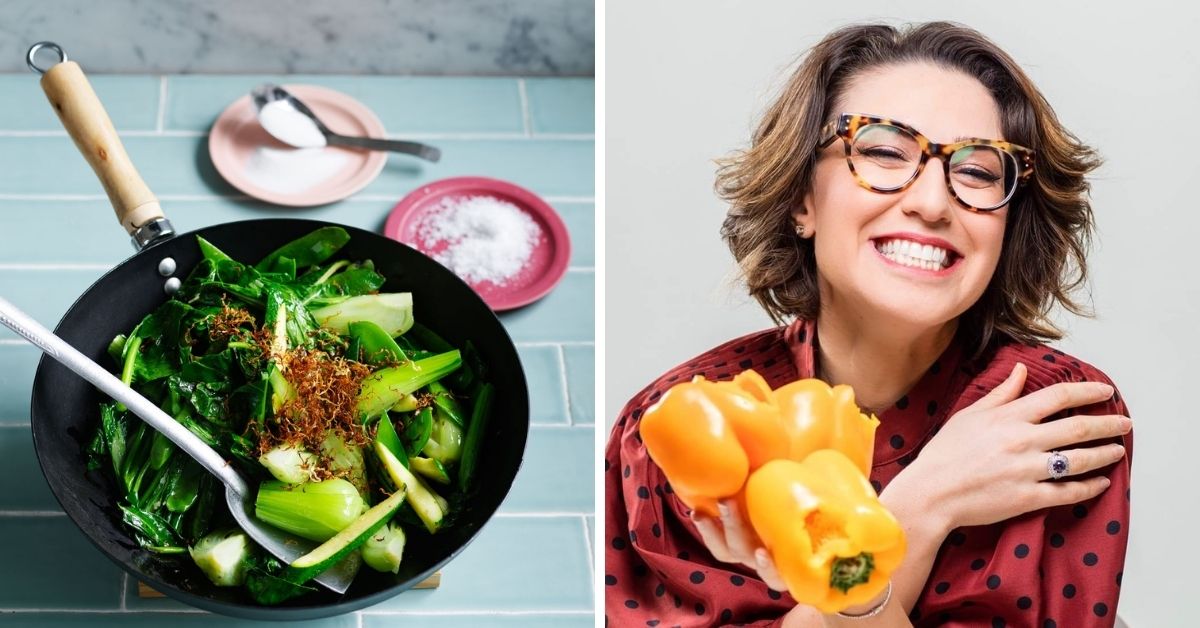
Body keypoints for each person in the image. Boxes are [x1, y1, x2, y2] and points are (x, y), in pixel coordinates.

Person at [604, 21, 1132, 628]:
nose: (933, 203)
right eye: (883, 152)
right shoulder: (675, 432)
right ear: (803, 199)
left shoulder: (1054, 423)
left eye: (980, 172)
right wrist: (921, 507)